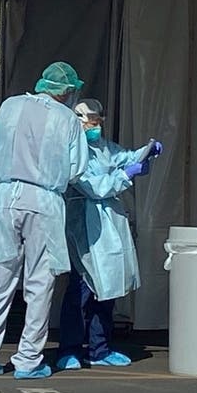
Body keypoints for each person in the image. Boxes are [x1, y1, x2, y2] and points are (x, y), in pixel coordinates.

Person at [0, 61, 89, 380]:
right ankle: (29, 358)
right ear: (67, 92)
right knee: (39, 282)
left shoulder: (10, 106)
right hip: (44, 200)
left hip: (4, 196)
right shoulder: (67, 119)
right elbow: (76, 168)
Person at [56, 98, 163, 369]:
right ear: (79, 121)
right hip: (85, 226)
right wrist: (126, 175)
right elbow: (96, 187)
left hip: (109, 225)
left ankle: (99, 348)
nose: (97, 127)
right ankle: (69, 348)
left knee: (108, 289)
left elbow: (123, 156)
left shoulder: (101, 147)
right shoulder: (72, 152)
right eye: (92, 122)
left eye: (99, 122)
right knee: (81, 290)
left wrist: (145, 152)